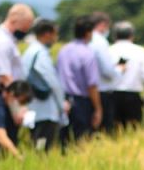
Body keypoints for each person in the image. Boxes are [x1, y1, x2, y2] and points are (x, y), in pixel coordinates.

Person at [22, 19, 68, 152]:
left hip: (34, 107)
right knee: (41, 148)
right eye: (55, 34)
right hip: (44, 110)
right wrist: (61, 105)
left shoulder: (31, 51)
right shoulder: (40, 53)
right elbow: (53, 82)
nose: (56, 38)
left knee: (36, 145)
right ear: (47, 34)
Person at [57, 16, 102, 144]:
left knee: (64, 139)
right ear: (88, 33)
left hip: (63, 100)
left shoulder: (63, 50)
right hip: (81, 102)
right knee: (81, 140)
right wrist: (98, 109)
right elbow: (92, 85)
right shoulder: (88, 53)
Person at [109, 21, 144, 128]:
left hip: (112, 96)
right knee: (133, 129)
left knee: (114, 130)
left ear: (115, 35)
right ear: (131, 35)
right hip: (133, 96)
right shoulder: (140, 51)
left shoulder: (109, 50)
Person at [0, 3, 35, 86]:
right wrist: (17, 96)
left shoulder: (8, 39)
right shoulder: (1, 41)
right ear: (13, 21)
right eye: (24, 28)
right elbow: (4, 77)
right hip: (0, 94)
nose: (24, 32)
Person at [0, 81, 34, 160]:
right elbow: (0, 136)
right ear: (11, 94)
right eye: (21, 102)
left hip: (10, 147)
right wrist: (18, 156)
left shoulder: (11, 106)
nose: (21, 106)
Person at [89, 12, 118, 133]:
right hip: (102, 90)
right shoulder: (100, 42)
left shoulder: (87, 40)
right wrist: (118, 71)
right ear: (102, 25)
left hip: (87, 92)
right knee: (104, 129)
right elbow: (107, 70)